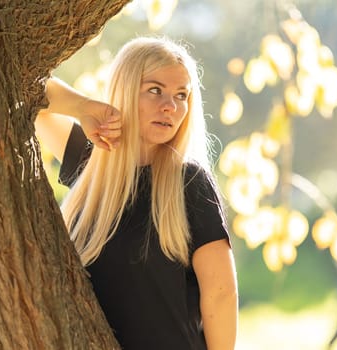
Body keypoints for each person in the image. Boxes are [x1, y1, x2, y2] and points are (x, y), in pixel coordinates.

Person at [35, 36, 238, 350]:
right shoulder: (89, 163)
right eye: (154, 90)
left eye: (181, 95)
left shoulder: (189, 183)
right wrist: (86, 108)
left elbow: (221, 294)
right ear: (125, 90)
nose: (170, 106)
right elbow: (28, 91)